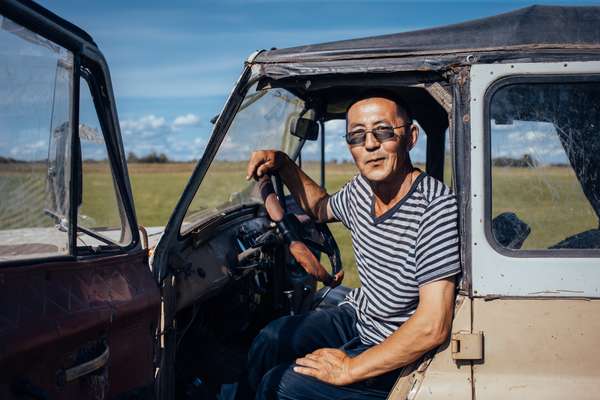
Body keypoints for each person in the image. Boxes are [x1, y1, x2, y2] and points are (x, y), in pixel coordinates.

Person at [243, 91, 461, 399]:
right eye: (358, 136)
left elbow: (432, 324)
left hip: (399, 353)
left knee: (280, 385)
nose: (370, 144)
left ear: (410, 137)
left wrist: (350, 368)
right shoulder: (362, 189)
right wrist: (284, 164)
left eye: (383, 132)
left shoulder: (434, 207)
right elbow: (320, 208)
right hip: (362, 318)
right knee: (270, 339)